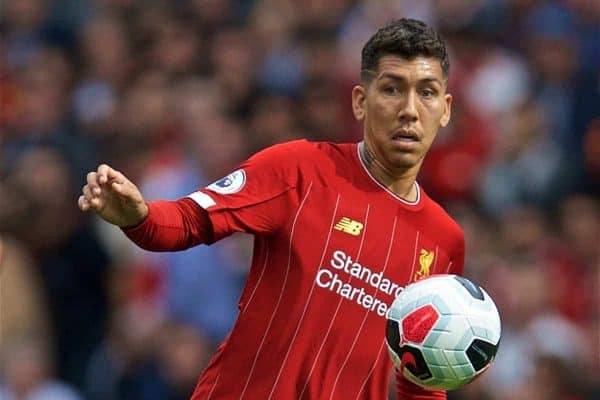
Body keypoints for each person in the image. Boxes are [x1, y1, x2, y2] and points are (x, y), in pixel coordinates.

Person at [78, 18, 464, 399]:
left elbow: (422, 381)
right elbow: (189, 220)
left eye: (426, 92)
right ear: (360, 102)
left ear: (445, 109)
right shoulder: (298, 170)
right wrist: (138, 215)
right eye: (392, 89)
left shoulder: (444, 241)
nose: (410, 110)